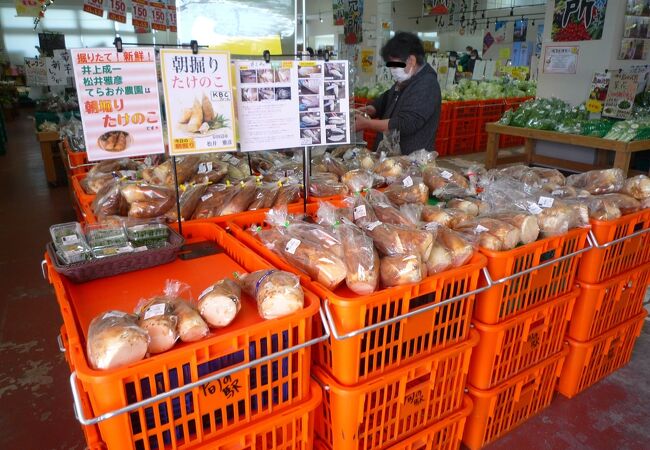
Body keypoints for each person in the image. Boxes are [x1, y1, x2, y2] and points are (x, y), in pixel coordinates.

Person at [355, 31, 442, 155]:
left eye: (395, 66)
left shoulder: (427, 84)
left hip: (411, 160)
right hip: (392, 156)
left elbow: (406, 123)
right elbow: (388, 98)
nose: (392, 71)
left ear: (411, 60)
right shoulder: (407, 79)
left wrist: (367, 124)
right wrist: (371, 109)